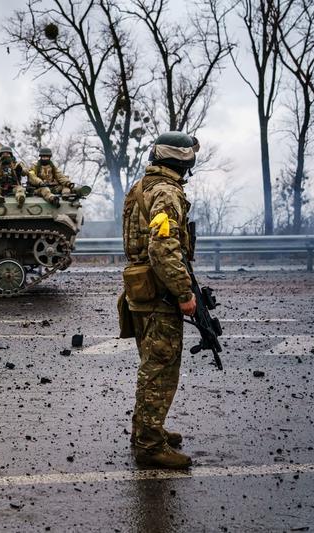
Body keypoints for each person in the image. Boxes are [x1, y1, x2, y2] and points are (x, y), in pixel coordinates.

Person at [120, 131, 201, 469]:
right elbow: (162, 248)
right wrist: (184, 293)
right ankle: (149, 445)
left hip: (141, 290)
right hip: (159, 293)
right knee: (161, 367)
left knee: (152, 363)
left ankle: (148, 430)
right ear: (183, 161)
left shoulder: (141, 187)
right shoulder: (167, 193)